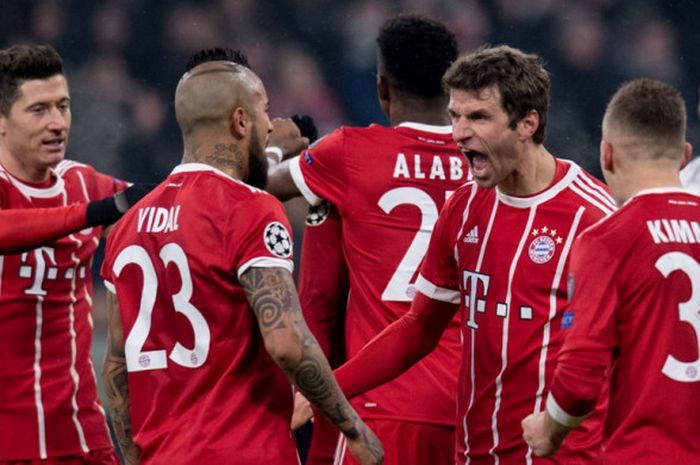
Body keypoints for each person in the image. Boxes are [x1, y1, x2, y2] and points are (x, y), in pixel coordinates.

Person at [323, 45, 618, 465]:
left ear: (527, 123)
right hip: (473, 453)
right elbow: (418, 328)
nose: (459, 132)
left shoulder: (595, 219)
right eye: (454, 116)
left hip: (563, 456)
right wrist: (323, 392)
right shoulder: (463, 209)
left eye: (478, 117)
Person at [99, 49, 383, 465]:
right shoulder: (251, 209)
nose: (271, 125)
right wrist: (352, 427)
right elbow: (287, 341)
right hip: (246, 451)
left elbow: (116, 370)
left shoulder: (128, 226)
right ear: (240, 121)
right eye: (266, 112)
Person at [268, 14, 465, 465]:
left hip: (381, 404)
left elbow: (255, 184)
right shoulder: (487, 163)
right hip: (470, 407)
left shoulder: (350, 153)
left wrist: (276, 146)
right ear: (454, 86)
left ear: (381, 89)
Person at [521, 79, 700, 463]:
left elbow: (580, 376)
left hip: (644, 453)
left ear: (607, 154)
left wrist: (549, 430)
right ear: (684, 156)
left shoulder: (608, 239)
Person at [0, 44, 150, 464]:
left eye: (63, 107)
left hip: (83, 438)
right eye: (38, 110)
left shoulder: (83, 181)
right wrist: (90, 215)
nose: (57, 123)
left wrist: (276, 166)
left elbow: (175, 207)